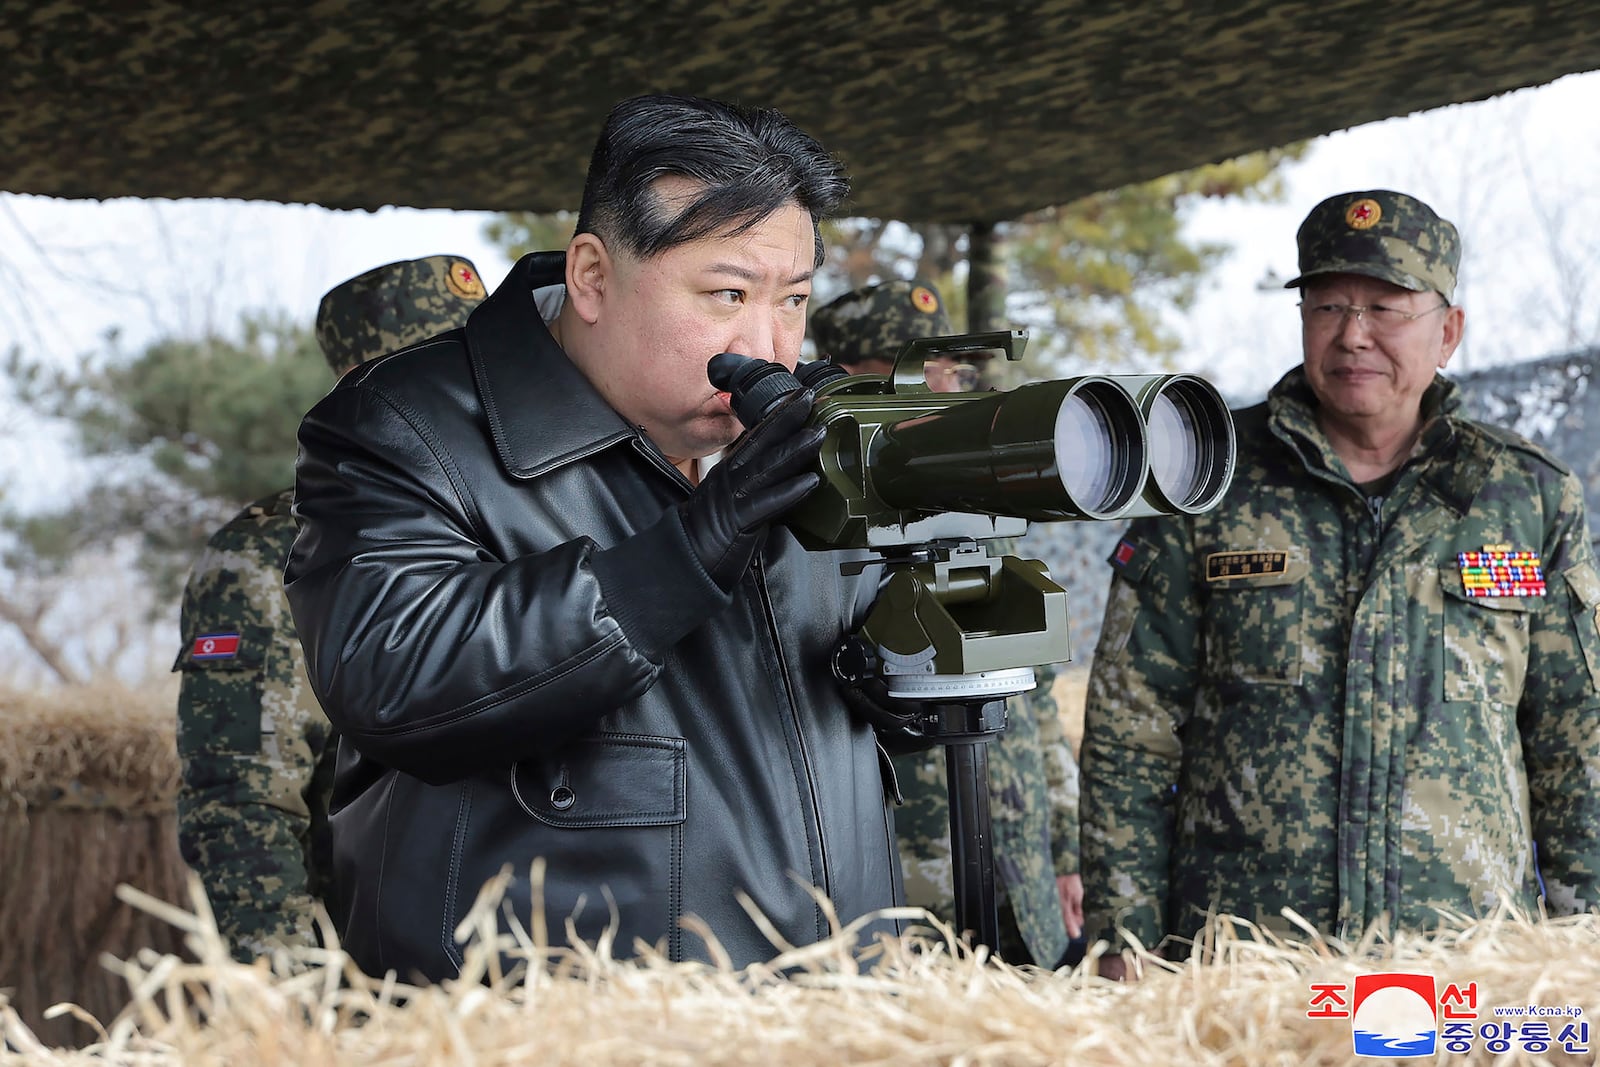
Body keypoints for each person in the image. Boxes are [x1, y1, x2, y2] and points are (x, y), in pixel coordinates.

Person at [283, 93, 909, 981]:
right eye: (727, 293)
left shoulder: (804, 433)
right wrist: (689, 552)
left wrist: (906, 681)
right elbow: (395, 676)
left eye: (794, 299)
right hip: (545, 1029)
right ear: (592, 277)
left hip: (838, 1016)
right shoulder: (404, 429)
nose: (769, 346)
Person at [1079, 189, 1600, 977]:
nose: (1353, 334)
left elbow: (1576, 744)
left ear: (1449, 331)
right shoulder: (1205, 484)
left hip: (1461, 964)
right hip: (1249, 966)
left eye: (1386, 308)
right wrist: (1125, 939)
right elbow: (1132, 732)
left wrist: (1583, 951)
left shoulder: (1524, 496)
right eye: (1328, 306)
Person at [175, 255, 487, 961]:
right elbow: (242, 801)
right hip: (373, 987)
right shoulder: (270, 556)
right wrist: (292, 1011)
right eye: (435, 374)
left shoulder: (544, 520)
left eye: (478, 368)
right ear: (363, 393)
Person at [811, 278, 1086, 967]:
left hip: (1019, 879)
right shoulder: (809, 529)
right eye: (912, 373)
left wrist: (1065, 846)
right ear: (845, 385)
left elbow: (1039, 694)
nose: (941, 392)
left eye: (952, 374)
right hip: (903, 887)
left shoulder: (979, 510)